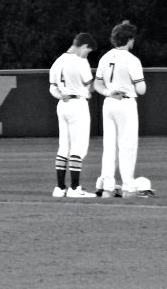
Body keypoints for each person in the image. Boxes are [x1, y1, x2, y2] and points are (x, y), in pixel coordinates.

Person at [93, 20, 155, 198]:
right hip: (126, 103)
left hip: (109, 101)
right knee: (127, 145)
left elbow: (97, 83)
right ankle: (128, 186)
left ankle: (108, 186)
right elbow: (141, 89)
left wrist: (108, 92)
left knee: (109, 146)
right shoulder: (131, 59)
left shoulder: (105, 57)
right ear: (128, 40)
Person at [48, 32, 98, 198]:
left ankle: (60, 187)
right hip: (78, 105)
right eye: (88, 51)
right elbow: (90, 87)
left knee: (64, 146)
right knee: (78, 147)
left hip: (63, 104)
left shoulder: (58, 61)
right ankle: (75, 188)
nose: (87, 54)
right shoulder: (80, 62)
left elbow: (52, 88)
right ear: (83, 46)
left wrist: (60, 95)